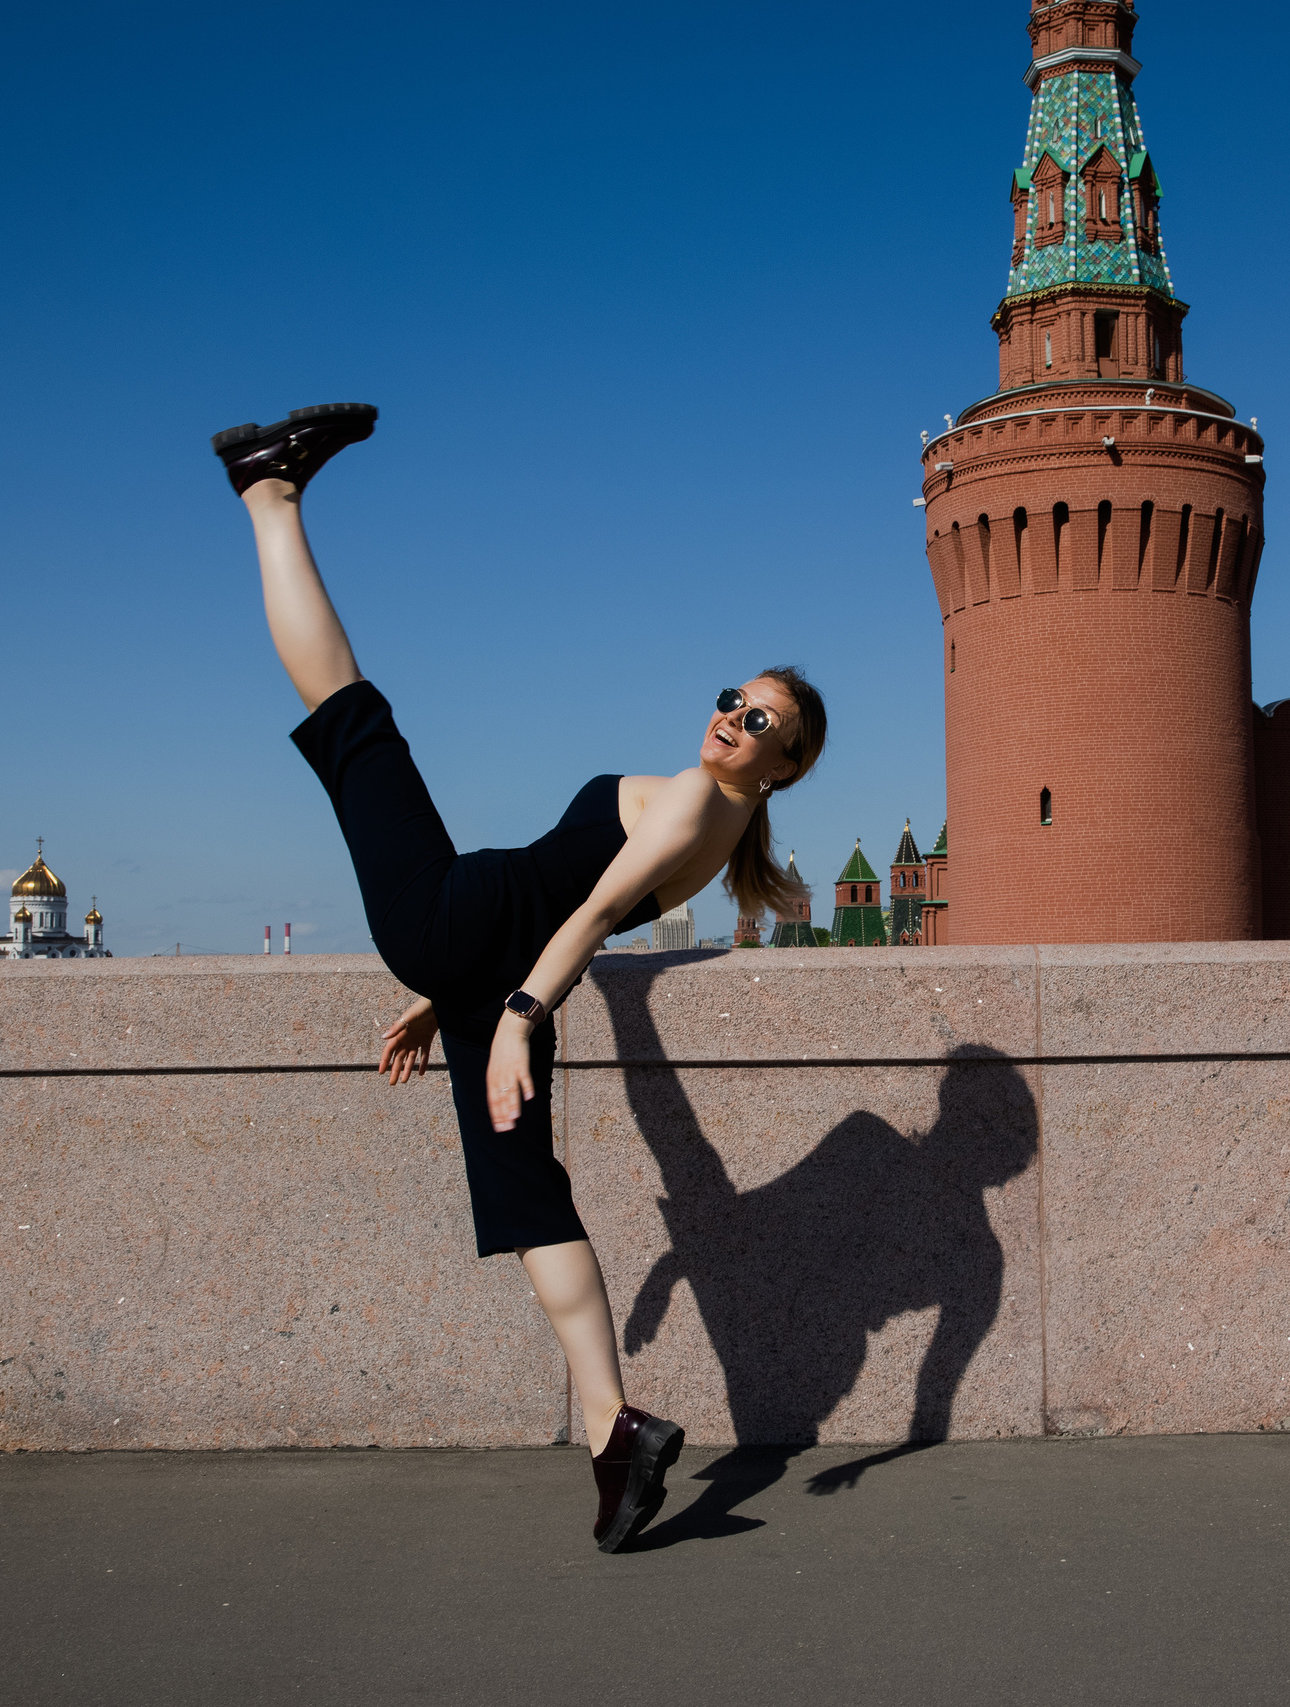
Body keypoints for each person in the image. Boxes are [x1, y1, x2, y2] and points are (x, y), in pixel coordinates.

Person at [211, 402, 828, 1552]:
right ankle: (612, 1432)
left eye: (759, 721)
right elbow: (574, 912)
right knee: (529, 1196)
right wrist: (453, 1000)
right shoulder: (716, 828)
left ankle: (268, 493)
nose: (728, 721)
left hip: (485, 945)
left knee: (352, 717)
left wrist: (513, 1014)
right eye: (729, 699)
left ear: (785, 765)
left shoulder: (698, 802)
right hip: (479, 959)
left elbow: (587, 911)